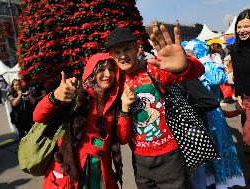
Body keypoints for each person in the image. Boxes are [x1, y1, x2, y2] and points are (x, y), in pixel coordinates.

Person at [107, 26, 205, 189]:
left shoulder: (154, 68)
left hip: (170, 156)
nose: (122, 56)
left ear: (137, 48)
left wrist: (184, 65)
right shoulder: (116, 82)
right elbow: (122, 137)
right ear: (112, 56)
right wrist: (124, 109)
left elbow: (198, 71)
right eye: (117, 52)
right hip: (140, 160)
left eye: (126, 49)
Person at [33, 53, 135, 189]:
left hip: (101, 175)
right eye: (101, 69)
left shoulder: (114, 102)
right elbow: (37, 116)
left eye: (111, 69)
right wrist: (54, 97)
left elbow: (122, 138)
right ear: (91, 72)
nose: (108, 74)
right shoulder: (76, 95)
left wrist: (125, 108)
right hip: (71, 173)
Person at [183, 39, 245, 189]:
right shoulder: (187, 67)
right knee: (203, 150)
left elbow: (219, 78)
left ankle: (221, 180)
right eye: (187, 53)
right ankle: (209, 180)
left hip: (213, 114)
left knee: (217, 146)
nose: (189, 55)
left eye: (191, 53)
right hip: (196, 115)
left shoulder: (206, 65)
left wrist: (204, 61)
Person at [230, 9, 250, 148]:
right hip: (246, 98)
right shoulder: (234, 49)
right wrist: (238, 96)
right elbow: (237, 74)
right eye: (239, 26)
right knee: (248, 135)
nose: (242, 30)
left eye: (246, 26)